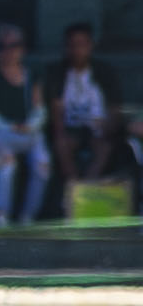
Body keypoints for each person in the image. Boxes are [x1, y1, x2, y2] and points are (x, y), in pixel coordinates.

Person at [0, 24, 50, 227]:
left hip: (26, 135)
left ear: (22, 48)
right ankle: (0, 214)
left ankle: (28, 216)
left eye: (14, 45)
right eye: (2, 46)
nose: (8, 51)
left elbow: (39, 110)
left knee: (42, 164)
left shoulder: (31, 76)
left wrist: (30, 126)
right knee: (7, 162)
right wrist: (7, 126)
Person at [45, 22, 128, 189]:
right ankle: (73, 185)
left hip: (99, 128)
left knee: (104, 147)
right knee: (61, 145)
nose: (77, 50)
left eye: (82, 44)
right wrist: (60, 132)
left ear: (90, 46)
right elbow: (56, 108)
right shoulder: (57, 72)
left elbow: (115, 107)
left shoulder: (104, 71)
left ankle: (88, 187)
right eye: (72, 45)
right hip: (71, 128)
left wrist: (107, 128)